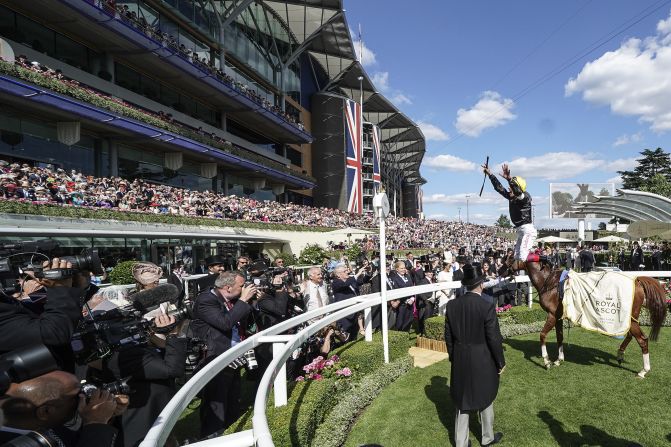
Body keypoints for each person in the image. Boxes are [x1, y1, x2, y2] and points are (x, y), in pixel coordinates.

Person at [445, 263, 506, 447]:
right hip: (483, 358)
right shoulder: (486, 305)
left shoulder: (452, 305)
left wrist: (453, 356)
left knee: (462, 400)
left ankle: (460, 442)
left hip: (461, 357)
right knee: (486, 396)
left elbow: (448, 336)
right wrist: (500, 362)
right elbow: (494, 338)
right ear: (480, 284)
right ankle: (487, 438)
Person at [190, 271, 257, 437]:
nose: (244, 289)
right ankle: (211, 437)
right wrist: (242, 300)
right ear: (228, 287)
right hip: (215, 357)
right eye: (241, 286)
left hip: (233, 356)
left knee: (232, 399)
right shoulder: (206, 300)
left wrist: (253, 300)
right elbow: (225, 323)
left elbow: (245, 320)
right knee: (216, 403)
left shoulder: (231, 299)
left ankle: (231, 432)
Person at [0, 258, 89, 372]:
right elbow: (54, 330)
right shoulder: (19, 301)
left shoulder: (28, 299)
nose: (36, 282)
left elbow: (54, 311)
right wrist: (60, 287)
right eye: (29, 279)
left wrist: (74, 286)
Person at [0, 370, 124, 447]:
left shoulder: (45, 425)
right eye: (76, 396)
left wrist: (106, 416)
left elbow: (82, 441)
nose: (84, 398)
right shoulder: (12, 443)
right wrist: (96, 422)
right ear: (45, 411)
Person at [484, 163, 536, 264]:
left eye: (511, 187)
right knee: (516, 257)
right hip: (520, 231)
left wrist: (509, 179)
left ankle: (544, 258)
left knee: (522, 256)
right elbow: (499, 188)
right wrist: (490, 174)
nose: (509, 189)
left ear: (518, 188)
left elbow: (517, 192)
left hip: (528, 230)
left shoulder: (525, 197)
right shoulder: (512, 197)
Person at [388, 260, 414, 331]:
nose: (404, 270)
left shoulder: (408, 276)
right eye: (401, 268)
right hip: (401, 305)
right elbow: (396, 291)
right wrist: (405, 299)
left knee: (409, 321)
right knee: (400, 323)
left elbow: (412, 288)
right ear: (397, 269)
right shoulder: (394, 279)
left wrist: (412, 298)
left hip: (410, 304)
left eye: (404, 268)